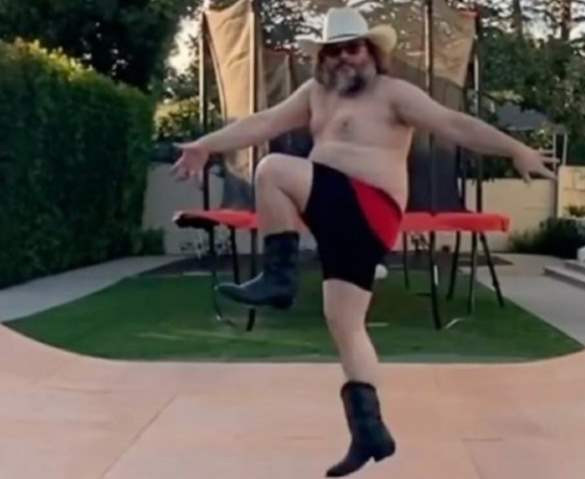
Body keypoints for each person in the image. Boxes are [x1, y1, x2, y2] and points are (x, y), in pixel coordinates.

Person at [171, 7, 557, 477]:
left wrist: (515, 148)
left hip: (369, 208)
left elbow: (454, 124)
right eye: (334, 52)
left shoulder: (394, 94)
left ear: (372, 52)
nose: (343, 59)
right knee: (346, 325)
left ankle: (278, 278)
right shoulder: (314, 94)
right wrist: (206, 144)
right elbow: (263, 122)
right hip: (339, 222)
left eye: (352, 49)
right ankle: (369, 432)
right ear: (323, 58)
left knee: (272, 170)